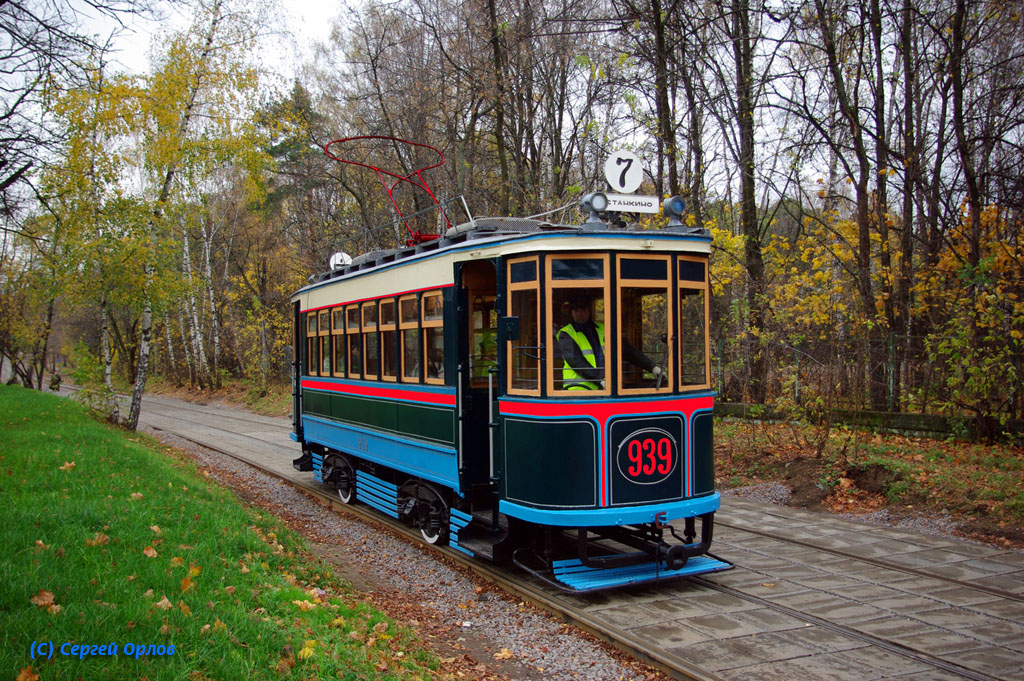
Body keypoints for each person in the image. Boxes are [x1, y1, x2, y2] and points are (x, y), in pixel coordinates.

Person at [556, 293, 662, 390]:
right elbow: (576, 361)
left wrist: (652, 367)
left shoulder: (604, 328)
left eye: (582, 309)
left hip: (606, 389)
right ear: (572, 312)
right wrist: (600, 379)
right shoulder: (565, 334)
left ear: (589, 310)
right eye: (576, 310)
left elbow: (626, 350)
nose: (579, 313)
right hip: (579, 391)